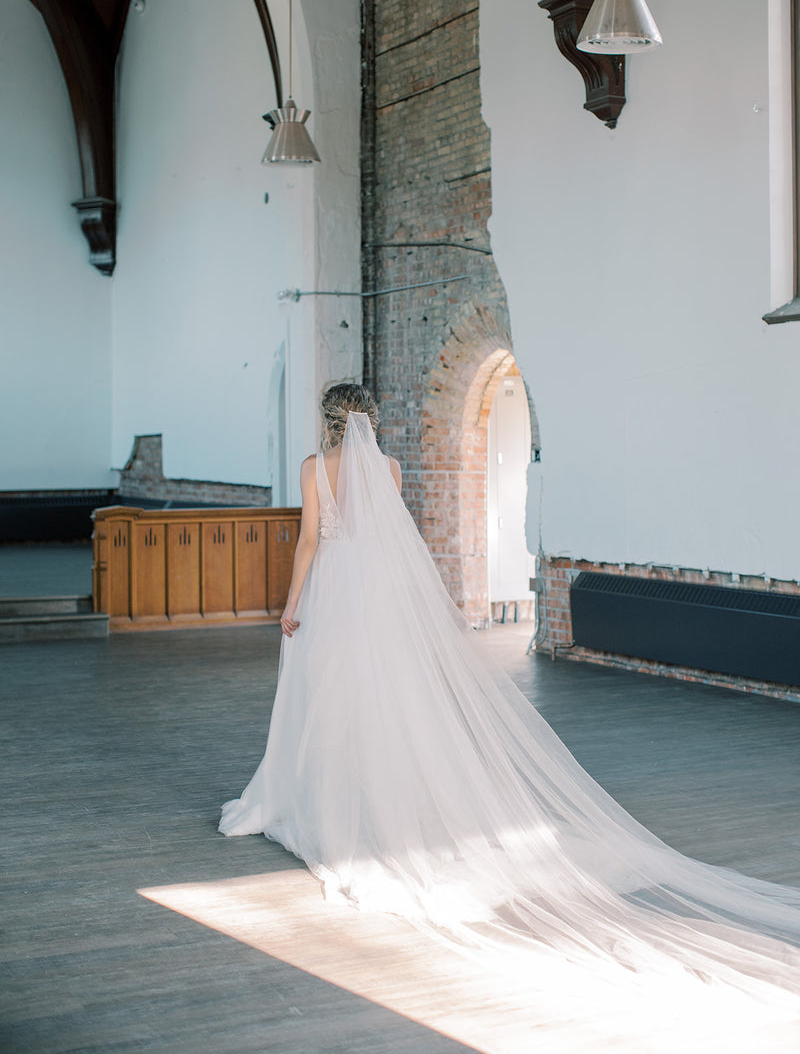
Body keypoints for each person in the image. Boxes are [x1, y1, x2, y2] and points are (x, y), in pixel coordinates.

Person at [220, 383, 800, 1040]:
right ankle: (383, 795)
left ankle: (327, 796)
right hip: (376, 602)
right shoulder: (388, 469)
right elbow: (389, 547)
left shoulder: (311, 469)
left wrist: (293, 604)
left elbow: (310, 542)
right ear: (369, 422)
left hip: (334, 594)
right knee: (385, 699)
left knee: (330, 697)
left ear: (328, 422)